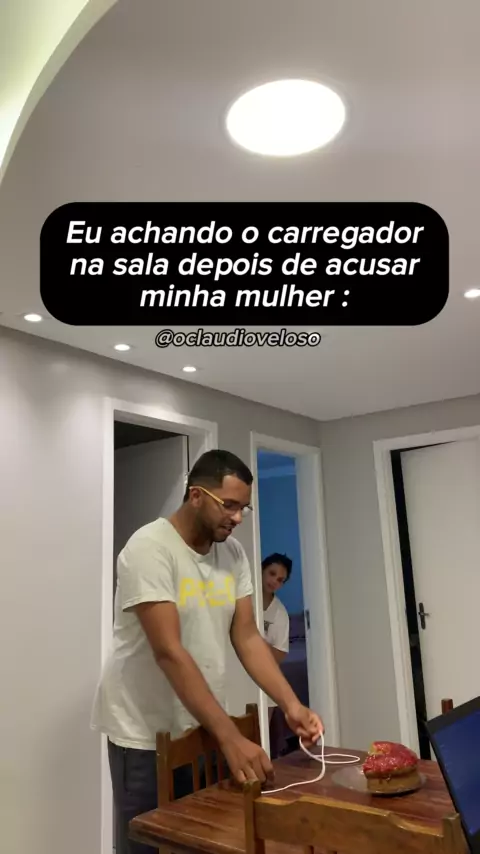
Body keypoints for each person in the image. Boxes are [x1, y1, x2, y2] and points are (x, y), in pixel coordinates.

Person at [91, 449, 324, 854]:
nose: (237, 517)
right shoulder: (149, 548)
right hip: (143, 734)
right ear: (196, 495)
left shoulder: (232, 553)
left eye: (243, 508)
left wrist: (291, 705)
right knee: (148, 846)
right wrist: (230, 738)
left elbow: (247, 637)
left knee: (202, 840)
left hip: (200, 725)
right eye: (229, 505)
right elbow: (169, 651)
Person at [262, 553, 292, 722]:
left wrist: (256, 646)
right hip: (235, 677)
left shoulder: (280, 613)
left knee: (260, 733)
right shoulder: (244, 600)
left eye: (280, 580)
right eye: (272, 573)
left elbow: (280, 653)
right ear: (262, 569)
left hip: (266, 681)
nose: (274, 581)